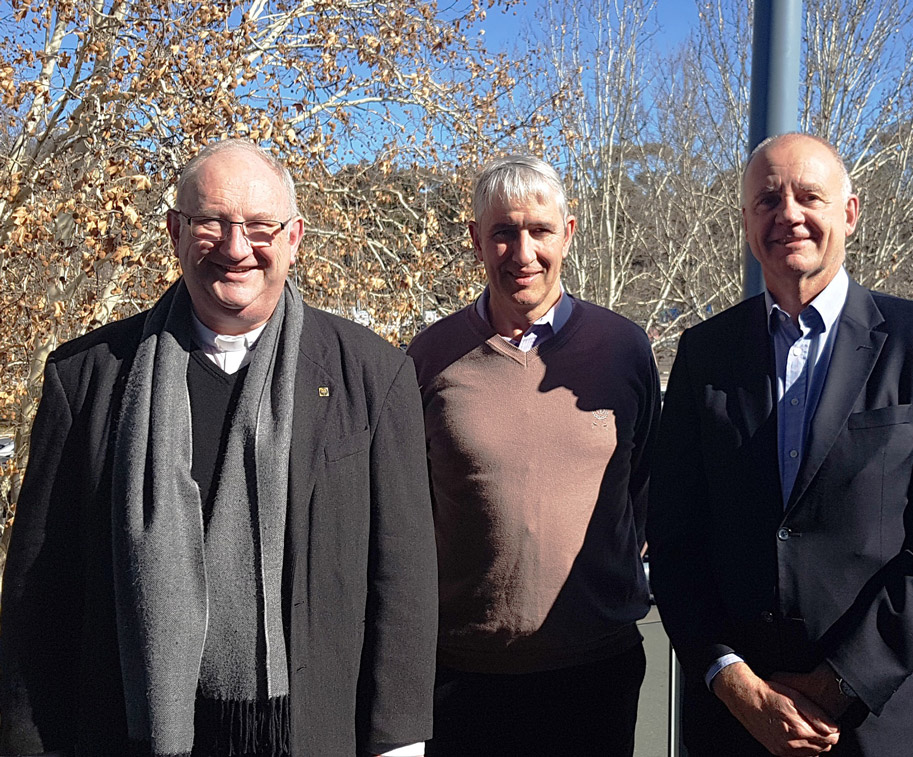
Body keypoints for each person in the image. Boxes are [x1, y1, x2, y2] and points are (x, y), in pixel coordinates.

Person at [0, 139, 437, 757]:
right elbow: (38, 595)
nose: (236, 249)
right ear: (176, 231)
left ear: (293, 238)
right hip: (127, 729)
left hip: (309, 730)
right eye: (212, 223)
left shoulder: (373, 376)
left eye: (260, 226)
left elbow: (404, 578)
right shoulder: (87, 378)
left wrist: (397, 743)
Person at [648, 132, 913, 756]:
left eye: (809, 196)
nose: (788, 215)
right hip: (738, 723)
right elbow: (676, 538)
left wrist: (841, 682)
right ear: (749, 220)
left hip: (885, 721)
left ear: (850, 213)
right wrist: (730, 678)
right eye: (767, 200)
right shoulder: (705, 353)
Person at [406, 155, 660, 756]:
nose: (522, 253)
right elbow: (407, 507)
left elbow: (646, 484)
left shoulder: (623, 349)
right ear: (476, 240)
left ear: (567, 234)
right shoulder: (429, 357)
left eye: (540, 231)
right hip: (461, 680)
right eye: (503, 232)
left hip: (596, 672)